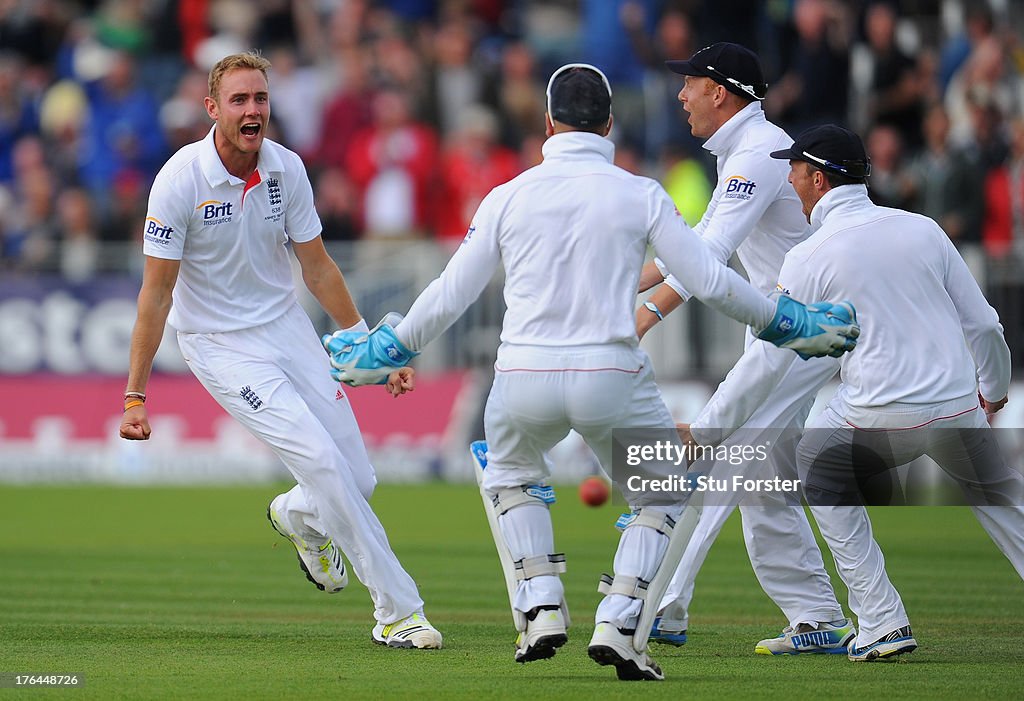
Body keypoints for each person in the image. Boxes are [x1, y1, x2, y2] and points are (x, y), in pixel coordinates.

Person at [323, 63, 860, 681]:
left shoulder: (507, 195)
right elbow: (711, 280)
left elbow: (450, 292)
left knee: (510, 477)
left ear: (547, 123)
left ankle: (541, 607)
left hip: (520, 377)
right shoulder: (641, 193)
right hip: (612, 374)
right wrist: (789, 323)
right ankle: (621, 621)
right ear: (609, 123)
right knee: (663, 491)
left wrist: (387, 350)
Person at [117, 52, 442, 650]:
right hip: (219, 346)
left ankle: (295, 517)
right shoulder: (179, 179)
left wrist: (376, 348)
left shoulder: (286, 169)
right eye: (239, 101)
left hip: (286, 329)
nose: (252, 111)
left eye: (260, 100)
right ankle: (398, 610)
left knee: (357, 478)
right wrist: (135, 394)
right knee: (321, 461)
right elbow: (156, 293)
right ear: (212, 109)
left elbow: (317, 269)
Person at [693, 123, 1024, 661]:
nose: (791, 180)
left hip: (877, 415)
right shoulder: (923, 229)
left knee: (818, 465)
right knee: (1006, 503)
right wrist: (994, 389)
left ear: (818, 179)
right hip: (957, 405)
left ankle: (881, 620)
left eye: (795, 170)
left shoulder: (808, 256)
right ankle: (878, 619)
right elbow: (985, 326)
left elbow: (766, 360)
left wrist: (709, 426)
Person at [636, 42, 853, 655]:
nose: (681, 95)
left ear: (721, 92)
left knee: (724, 457)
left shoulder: (758, 153)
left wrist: (640, 303)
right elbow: (706, 245)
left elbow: (705, 256)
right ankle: (814, 617)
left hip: (799, 329)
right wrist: (641, 299)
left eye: (691, 84)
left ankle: (663, 606)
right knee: (763, 483)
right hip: (783, 326)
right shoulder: (747, 150)